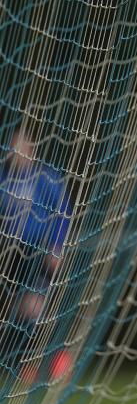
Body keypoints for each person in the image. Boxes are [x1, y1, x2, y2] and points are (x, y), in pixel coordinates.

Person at [0, 126, 71, 382]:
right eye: (11, 146)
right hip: (11, 252)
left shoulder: (46, 178)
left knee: (36, 305)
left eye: (20, 145)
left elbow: (63, 213)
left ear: (31, 147)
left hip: (39, 249)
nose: (15, 151)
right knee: (17, 307)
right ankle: (25, 362)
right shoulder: (4, 179)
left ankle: (56, 358)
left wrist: (56, 247)